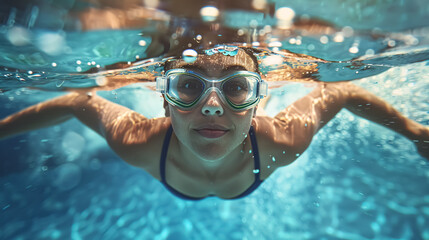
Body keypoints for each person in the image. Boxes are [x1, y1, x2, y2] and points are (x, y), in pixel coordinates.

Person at [0, 46, 428, 200]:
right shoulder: (139, 143)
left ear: (258, 102)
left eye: (237, 88)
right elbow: (78, 101)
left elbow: (341, 90)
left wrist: (414, 131)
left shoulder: (282, 140)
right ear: (164, 102)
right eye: (187, 85)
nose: (210, 105)